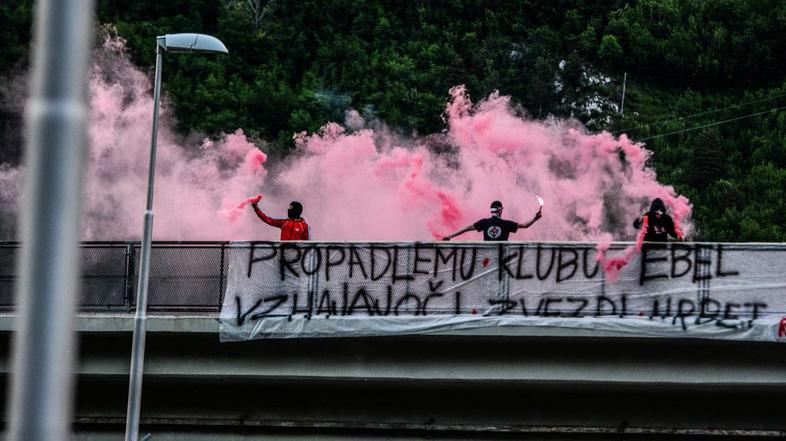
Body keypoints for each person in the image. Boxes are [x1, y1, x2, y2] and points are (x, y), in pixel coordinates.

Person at [442, 200, 542, 241]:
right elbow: (525, 226)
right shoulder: (506, 224)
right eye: (502, 209)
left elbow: (466, 229)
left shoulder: (484, 222)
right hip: (502, 259)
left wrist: (449, 236)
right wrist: (535, 219)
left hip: (487, 260)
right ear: (499, 210)